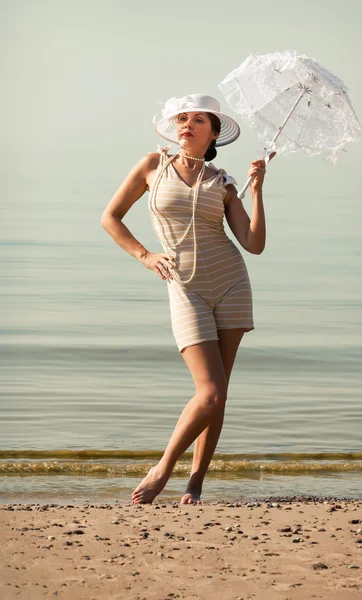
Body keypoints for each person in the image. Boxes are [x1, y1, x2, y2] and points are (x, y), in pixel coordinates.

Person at [101, 94, 275, 505]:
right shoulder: (152, 166)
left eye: (199, 120)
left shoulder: (225, 181)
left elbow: (253, 244)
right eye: (183, 118)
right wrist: (144, 255)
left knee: (218, 394)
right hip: (184, 287)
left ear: (213, 134)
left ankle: (195, 483)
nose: (188, 124)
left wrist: (257, 192)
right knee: (210, 392)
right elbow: (110, 217)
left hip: (231, 284)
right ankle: (163, 468)